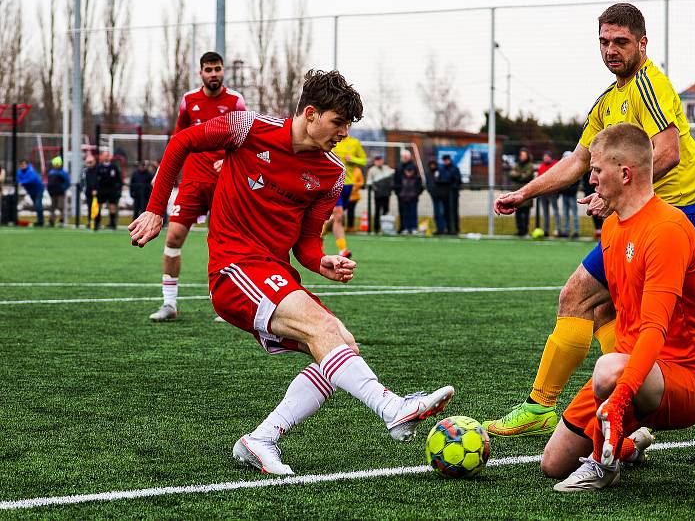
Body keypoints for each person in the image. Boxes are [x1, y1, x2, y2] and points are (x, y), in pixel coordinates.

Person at [129, 69, 454, 475]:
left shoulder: (332, 175)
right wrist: (155, 208)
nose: (343, 134)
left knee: (341, 344)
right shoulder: (247, 127)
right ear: (311, 114)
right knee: (325, 332)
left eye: (348, 126)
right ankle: (393, 407)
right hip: (234, 269)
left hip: (274, 272)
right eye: (338, 123)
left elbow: (305, 244)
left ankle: (261, 439)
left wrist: (322, 262)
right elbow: (182, 142)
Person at [485, 3, 695, 438]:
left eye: (621, 42)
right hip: (635, 218)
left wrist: (615, 194)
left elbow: (668, 152)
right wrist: (523, 193)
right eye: (604, 41)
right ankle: (626, 419)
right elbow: (578, 160)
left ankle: (541, 406)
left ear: (642, 44)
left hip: (668, 219)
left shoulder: (650, 85)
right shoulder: (609, 100)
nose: (611, 50)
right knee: (607, 310)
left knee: (577, 296)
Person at [545, 123, 695, 492]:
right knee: (553, 463)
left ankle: (601, 466)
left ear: (625, 174)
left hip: (686, 378)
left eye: (596, 170)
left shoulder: (668, 229)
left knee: (607, 370)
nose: (590, 179)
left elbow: (654, 330)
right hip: (633, 366)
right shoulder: (610, 228)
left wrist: (619, 398)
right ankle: (628, 442)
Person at [150, 51, 247, 322]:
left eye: (217, 69)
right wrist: (163, 169)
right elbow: (178, 138)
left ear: (223, 71)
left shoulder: (235, 101)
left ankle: (227, 309)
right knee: (173, 237)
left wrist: (229, 162)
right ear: (200, 72)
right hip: (192, 183)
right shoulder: (188, 101)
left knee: (223, 245)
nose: (213, 74)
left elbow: (246, 139)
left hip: (224, 185)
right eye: (208, 69)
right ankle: (169, 305)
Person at [331, 135, 366, 256]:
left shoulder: (355, 142)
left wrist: (352, 159)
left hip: (349, 184)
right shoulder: (331, 139)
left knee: (336, 217)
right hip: (334, 183)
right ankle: (342, 249)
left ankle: (320, 234)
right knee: (339, 215)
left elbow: (364, 160)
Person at [395, 152, 423, 234]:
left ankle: (413, 227)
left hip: (413, 196)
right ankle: (404, 227)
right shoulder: (399, 167)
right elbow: (396, 181)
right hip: (402, 196)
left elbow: (420, 185)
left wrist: (417, 193)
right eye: (403, 156)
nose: (409, 172)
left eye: (406, 156)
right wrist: (398, 192)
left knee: (413, 212)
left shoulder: (415, 169)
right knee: (404, 212)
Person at [508, 148, 535, 236]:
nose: (522, 157)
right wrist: (520, 174)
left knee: (526, 214)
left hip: (526, 194)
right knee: (518, 213)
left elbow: (527, 176)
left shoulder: (530, 165)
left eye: (524, 155)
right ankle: (519, 230)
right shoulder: (517, 165)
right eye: (521, 155)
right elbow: (511, 174)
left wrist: (518, 174)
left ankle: (525, 231)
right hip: (517, 193)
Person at [366, 154, 394, 233]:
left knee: (386, 211)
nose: (379, 161)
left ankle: (385, 228)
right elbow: (369, 182)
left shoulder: (387, 168)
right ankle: (376, 228)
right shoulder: (372, 170)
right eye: (377, 160)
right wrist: (376, 188)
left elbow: (392, 175)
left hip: (386, 193)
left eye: (380, 160)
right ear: (375, 161)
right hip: (378, 194)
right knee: (377, 211)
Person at [95, 150, 123, 230]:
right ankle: (97, 223)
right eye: (104, 155)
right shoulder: (99, 167)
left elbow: (119, 179)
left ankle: (112, 223)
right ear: (102, 157)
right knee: (99, 205)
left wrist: (118, 188)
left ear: (109, 157)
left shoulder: (114, 167)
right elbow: (96, 179)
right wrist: (96, 188)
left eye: (107, 155)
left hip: (112, 190)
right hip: (101, 190)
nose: (106, 157)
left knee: (112, 206)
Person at [559, 151, 581, 238]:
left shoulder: (576, 169)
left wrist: (570, 189)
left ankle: (576, 230)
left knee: (574, 214)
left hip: (572, 194)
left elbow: (576, 183)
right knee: (565, 213)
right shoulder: (562, 170)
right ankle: (566, 230)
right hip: (565, 194)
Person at [16, 160, 45, 226]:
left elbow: (32, 179)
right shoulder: (19, 172)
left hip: (38, 189)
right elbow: (18, 180)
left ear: (27, 165)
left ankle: (41, 221)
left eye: (24, 164)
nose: (23, 166)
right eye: (21, 164)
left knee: (38, 205)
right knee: (36, 205)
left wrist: (23, 182)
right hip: (31, 191)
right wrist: (22, 181)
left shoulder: (31, 170)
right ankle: (39, 221)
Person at [537, 152, 559, 237]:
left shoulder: (555, 165)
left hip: (552, 193)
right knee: (545, 212)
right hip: (543, 193)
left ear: (550, 157)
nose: (545, 158)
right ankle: (545, 230)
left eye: (547, 157)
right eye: (544, 157)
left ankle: (557, 229)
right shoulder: (541, 166)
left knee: (555, 211)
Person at [46, 156, 71, 227]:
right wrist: (49, 189)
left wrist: (63, 188)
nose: (57, 165)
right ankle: (51, 221)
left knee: (61, 207)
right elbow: (49, 182)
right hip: (52, 193)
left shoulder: (63, 173)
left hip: (60, 193)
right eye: (55, 164)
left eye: (58, 163)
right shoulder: (51, 172)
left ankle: (62, 221)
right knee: (52, 207)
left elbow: (67, 182)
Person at [441, 154, 462, 234]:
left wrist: (452, 185)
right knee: (446, 212)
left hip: (453, 194)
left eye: (447, 160)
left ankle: (455, 229)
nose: (445, 162)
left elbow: (458, 181)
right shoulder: (442, 169)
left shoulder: (455, 169)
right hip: (444, 194)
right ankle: (448, 229)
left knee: (454, 212)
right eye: (444, 160)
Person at [80, 155, 98, 228]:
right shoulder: (84, 171)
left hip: (97, 193)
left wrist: (97, 190)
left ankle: (97, 222)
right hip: (88, 192)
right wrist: (83, 189)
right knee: (89, 207)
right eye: (88, 162)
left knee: (97, 208)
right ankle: (90, 221)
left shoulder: (97, 170)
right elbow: (81, 181)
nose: (89, 163)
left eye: (91, 162)